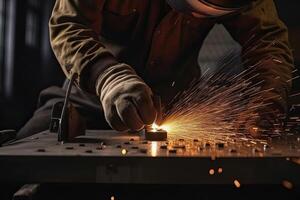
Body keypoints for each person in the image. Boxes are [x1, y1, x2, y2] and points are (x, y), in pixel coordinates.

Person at [17, 0, 294, 139]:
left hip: (175, 105)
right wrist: (108, 77)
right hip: (89, 101)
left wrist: (267, 98)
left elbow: (267, 39)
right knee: (23, 153)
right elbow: (68, 26)